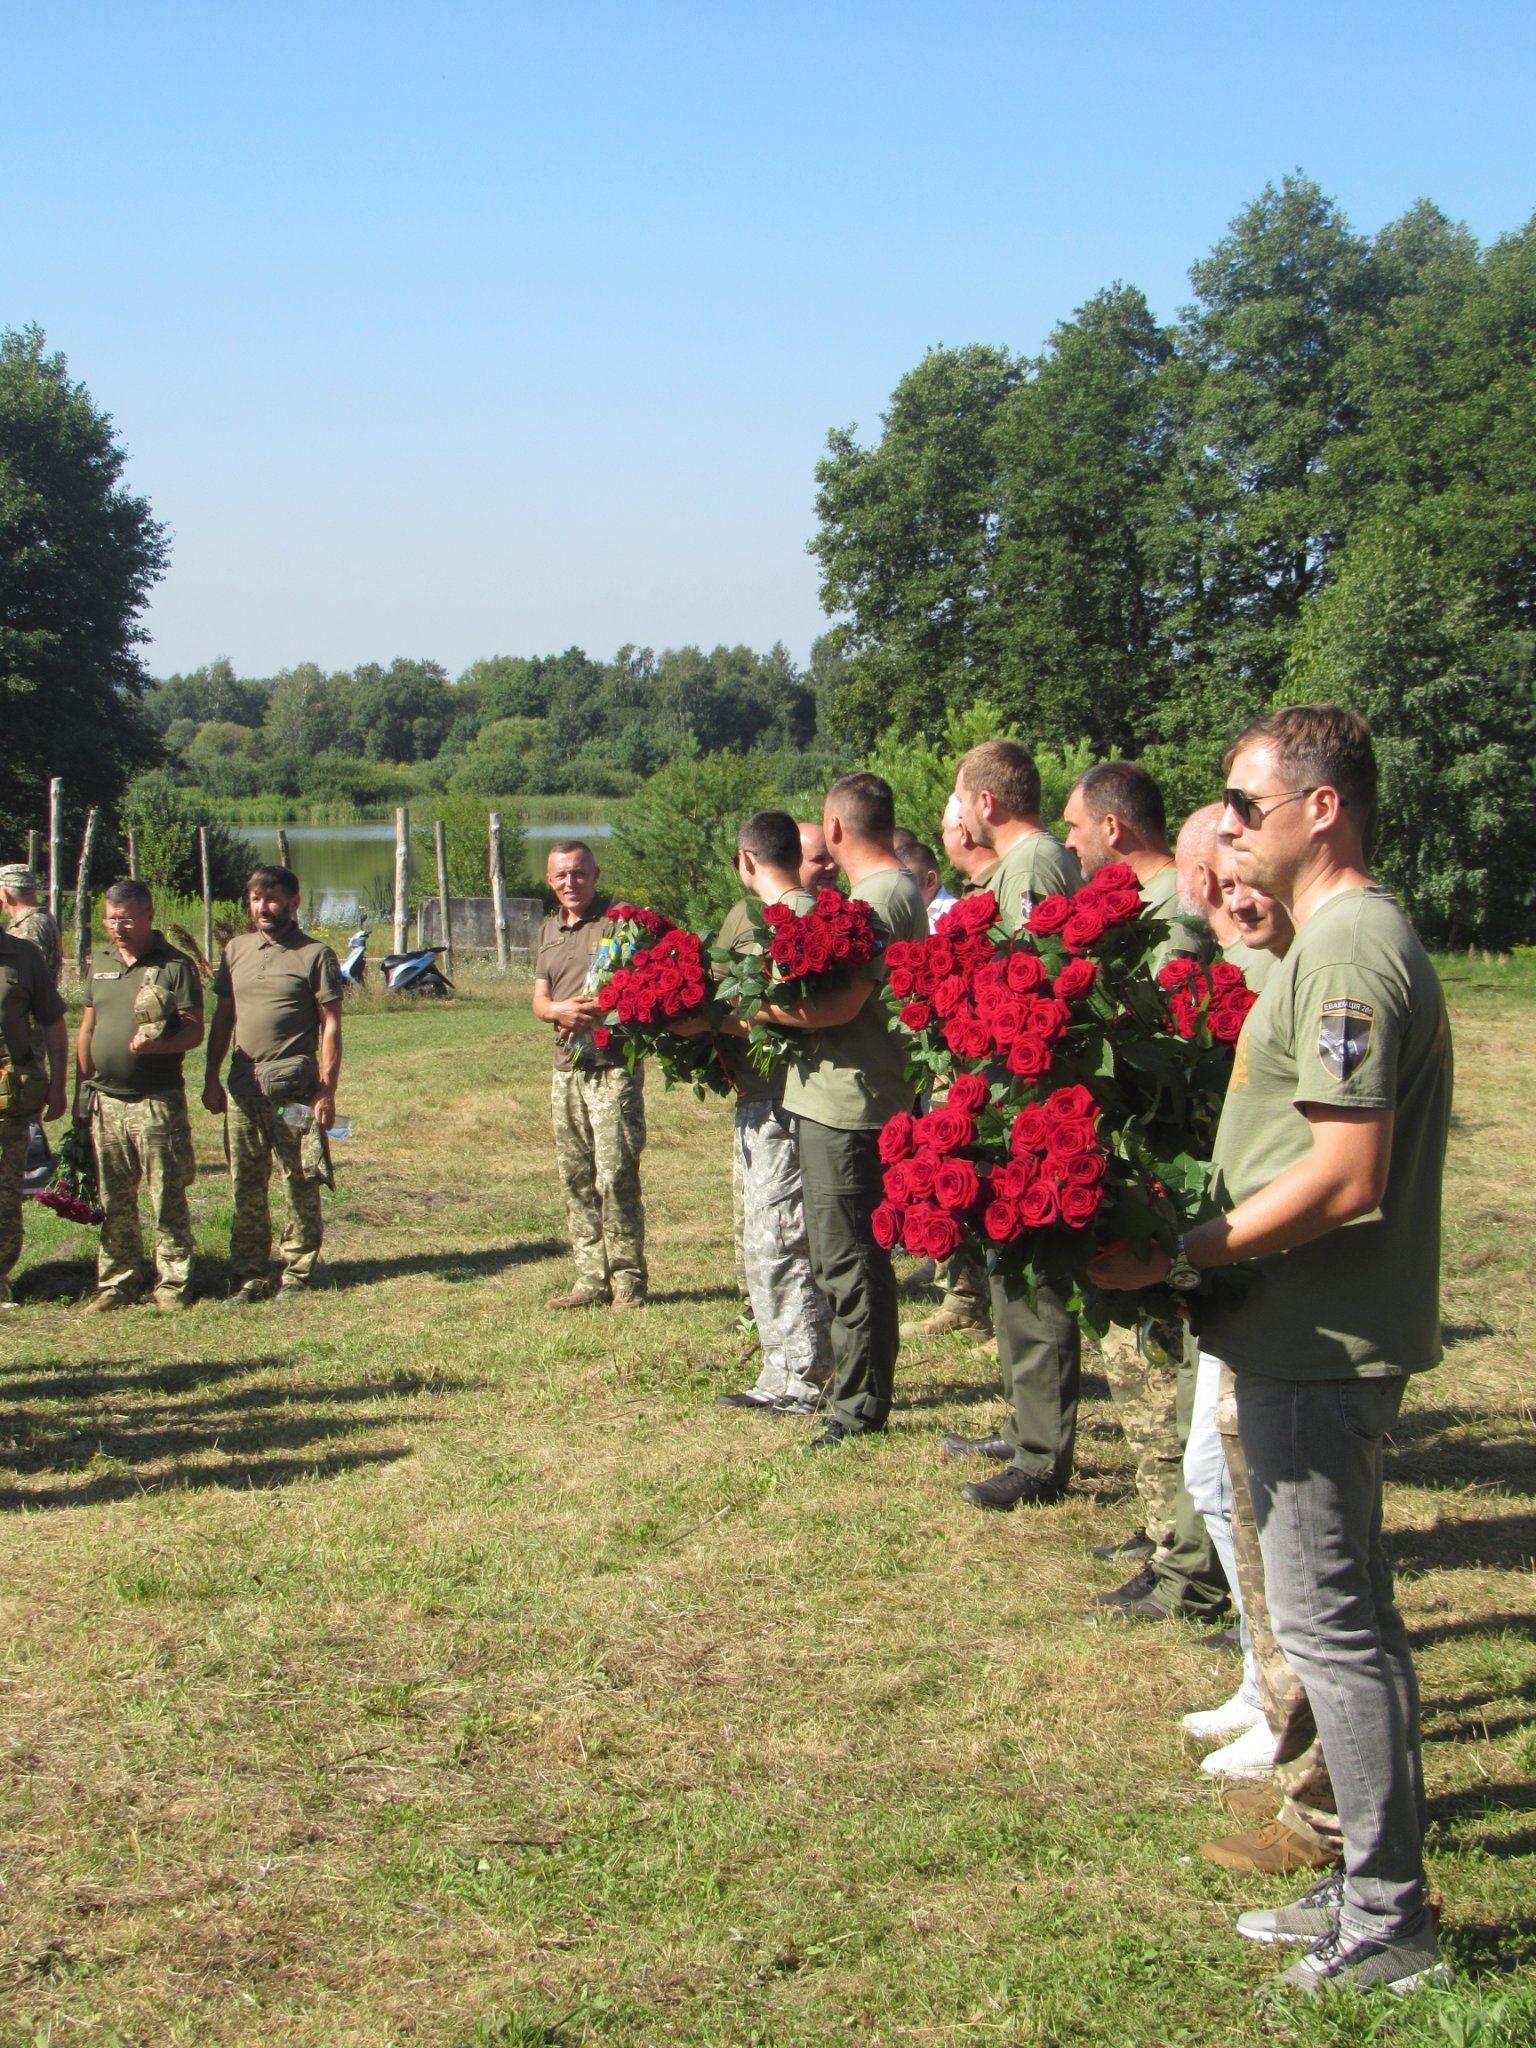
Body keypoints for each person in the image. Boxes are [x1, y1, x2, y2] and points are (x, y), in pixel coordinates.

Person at [1090, 706, 1452, 1996]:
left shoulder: (1351, 945)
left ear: (1323, 809)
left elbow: (1347, 1176)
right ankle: (1362, 1883)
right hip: (1291, 1330)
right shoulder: (1326, 939)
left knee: (1335, 1627)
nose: (1226, 828)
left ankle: (1394, 1920)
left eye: (1244, 805)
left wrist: (1182, 1252)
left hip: (1319, 1337)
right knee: (1334, 1615)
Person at [1057, 771, 1225, 1620]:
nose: (1072, 844)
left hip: (1160, 1167)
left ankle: (1183, 1551)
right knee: (1145, 1370)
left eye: (1078, 826)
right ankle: (1165, 1526)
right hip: (1131, 1160)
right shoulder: (1141, 905)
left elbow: (1162, 1046)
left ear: (1114, 828)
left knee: (1160, 1364)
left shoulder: (1171, 919)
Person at [758, 774, 927, 1446]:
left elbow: (843, 1005)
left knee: (847, 1257)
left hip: (849, 1099)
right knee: (852, 1252)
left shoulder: (879, 898)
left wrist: (754, 1012)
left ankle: (859, 1407)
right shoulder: (892, 888)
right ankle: (862, 1397)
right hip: (857, 1091)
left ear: (832, 827)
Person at [942, 741, 1083, 1509]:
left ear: (987, 804)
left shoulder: (1031, 869)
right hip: (1006, 1095)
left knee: (1032, 1275)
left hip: (1028, 1100)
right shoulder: (1018, 866)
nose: (957, 815)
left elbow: (1033, 990)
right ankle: (1029, 1425)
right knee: (1009, 1270)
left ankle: (1041, 1454)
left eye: (961, 800)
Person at [711, 811, 832, 1414]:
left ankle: (800, 1377)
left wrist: (720, 1018)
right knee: (768, 1238)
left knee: (783, 1238)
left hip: (792, 1097)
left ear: (747, 859)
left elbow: (805, 1017)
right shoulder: (747, 918)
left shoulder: (807, 920)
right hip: (757, 1094)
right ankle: (782, 1364)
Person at [203, 867, 343, 1301]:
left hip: (293, 1095)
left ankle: (298, 1271)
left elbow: (331, 1026)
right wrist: (211, 1079)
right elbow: (223, 1019)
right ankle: (249, 1273)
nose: (263, 908)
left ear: (294, 902)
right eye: (255, 899)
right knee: (245, 1182)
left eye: (273, 899)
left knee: (299, 1179)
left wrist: (326, 1090)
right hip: (243, 1090)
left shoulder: (315, 954)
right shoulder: (235, 950)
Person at [77, 881, 205, 1311]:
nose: (118, 927)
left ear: (149, 915)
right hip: (106, 1100)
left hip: (155, 1100)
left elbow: (193, 1030)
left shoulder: (175, 966)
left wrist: (157, 1046)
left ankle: (172, 1282)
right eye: (111, 918)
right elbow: (88, 1028)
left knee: (166, 1193)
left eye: (127, 918)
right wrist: (84, 1083)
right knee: (114, 1198)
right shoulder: (101, 962)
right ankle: (118, 1281)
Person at [531, 840, 647, 1311]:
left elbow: (642, 981)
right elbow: (538, 1000)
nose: (570, 883)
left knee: (616, 1175)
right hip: (565, 1072)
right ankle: (590, 1279)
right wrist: (557, 1009)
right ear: (549, 880)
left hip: (611, 1067)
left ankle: (628, 1283)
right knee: (575, 1176)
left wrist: (600, 1007)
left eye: (578, 874)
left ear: (595, 874)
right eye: (560, 876)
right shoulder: (548, 930)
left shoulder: (621, 921)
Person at [901, 795, 999, 1347]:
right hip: (949, 1059)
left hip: (969, 1062)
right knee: (948, 1172)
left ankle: (970, 1299)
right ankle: (961, 1294)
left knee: (966, 1172)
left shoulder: (957, 910)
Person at [1063, 761, 1212, 967]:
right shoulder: (1155, 893)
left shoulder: (1173, 901)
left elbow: (1168, 995)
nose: (1069, 842)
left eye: (1074, 827)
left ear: (1111, 828)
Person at [0, 920, 67, 1308]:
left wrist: (58, 1084)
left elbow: (53, 1021)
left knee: (6, 1194)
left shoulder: (23, 956)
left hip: (9, 1095)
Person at [0, 866, 62, 985]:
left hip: (27, 1002)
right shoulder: (41, 919)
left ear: (5, 894)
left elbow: (24, 974)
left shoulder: (31, 925)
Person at [896, 837, 956, 932]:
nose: (898, 892)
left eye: (905, 884)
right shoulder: (903, 918)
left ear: (930, 880)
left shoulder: (955, 914)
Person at [798, 821, 839, 895]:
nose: (832, 866)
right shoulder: (775, 904)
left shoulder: (855, 905)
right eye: (820, 859)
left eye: (834, 857)